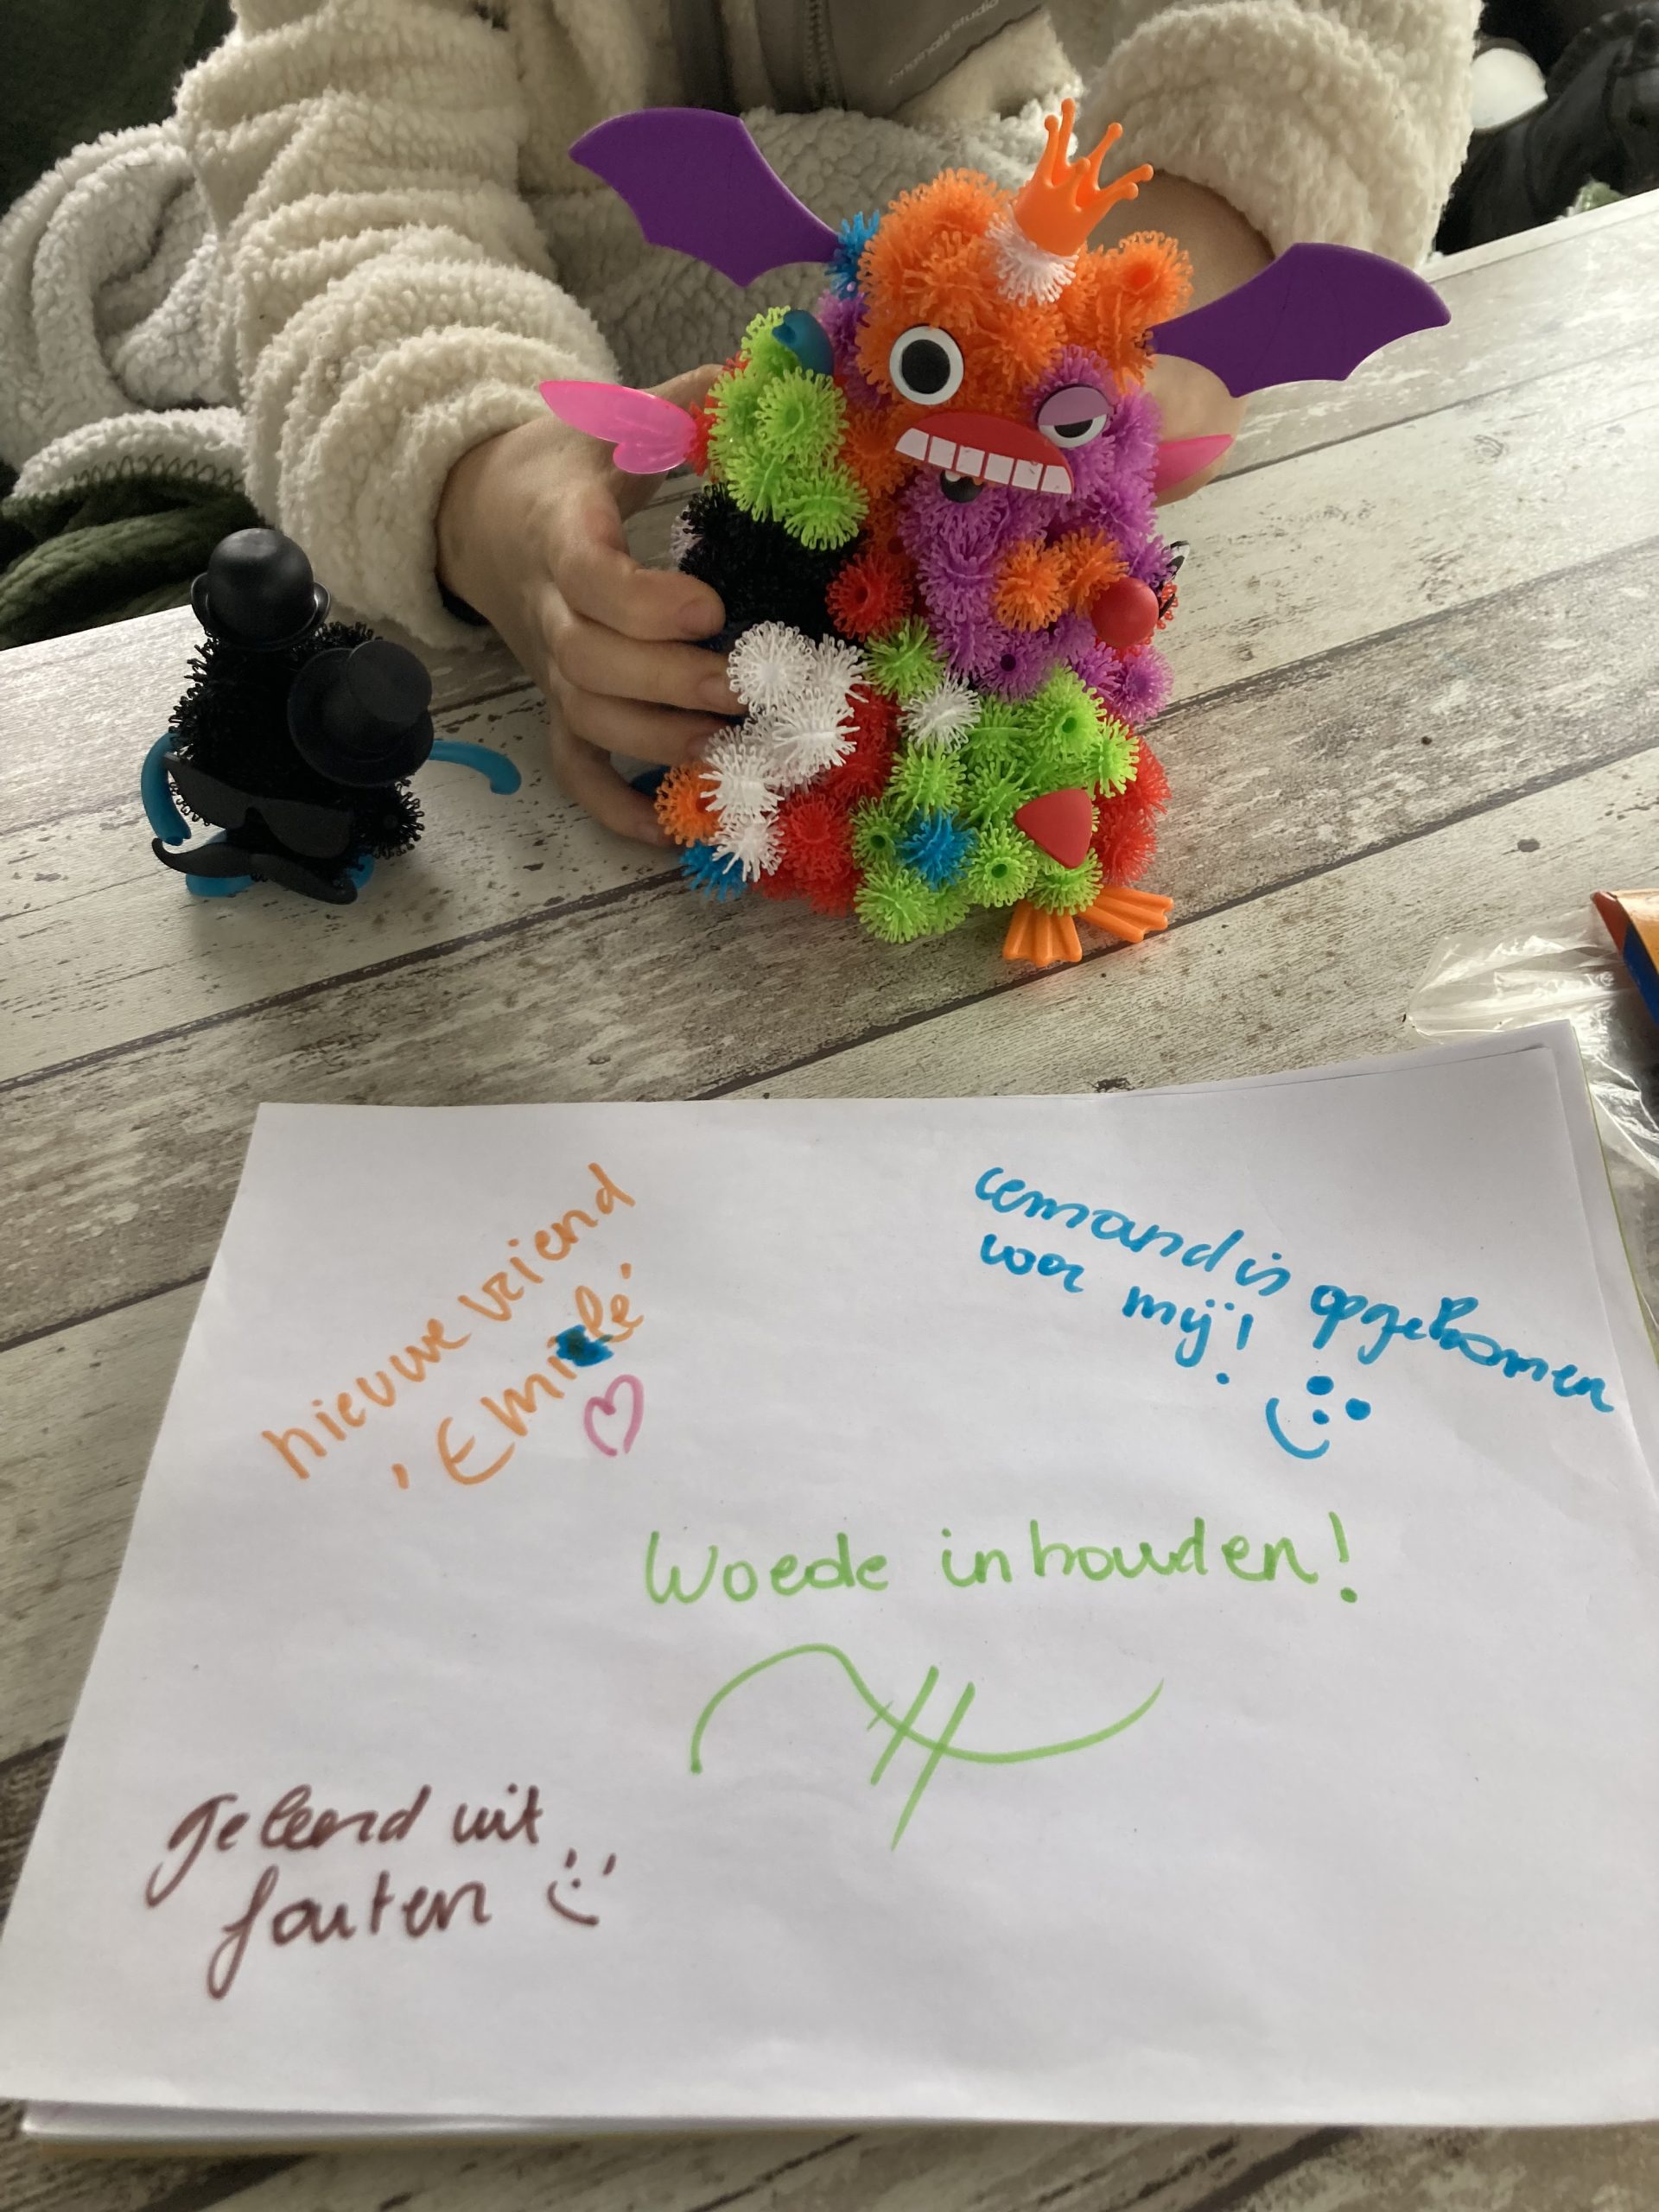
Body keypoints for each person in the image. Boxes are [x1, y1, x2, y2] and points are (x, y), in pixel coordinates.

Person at [162, 1, 1478, 843]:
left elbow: (1340, 33)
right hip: (572, 381)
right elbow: (336, 180)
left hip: (1024, 282)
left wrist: (1165, 288)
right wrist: (483, 489)